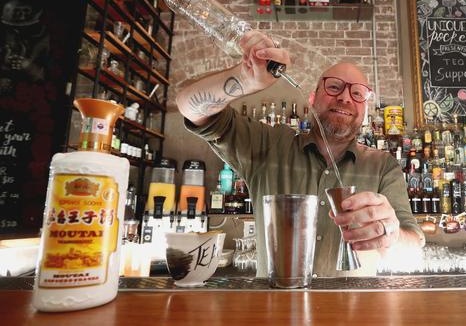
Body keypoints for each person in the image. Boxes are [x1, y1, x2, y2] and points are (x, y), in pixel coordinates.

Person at [177, 31, 424, 277]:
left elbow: (412, 249)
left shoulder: (383, 166)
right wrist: (243, 78)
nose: (345, 97)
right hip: (279, 312)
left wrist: (392, 236)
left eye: (358, 94)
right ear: (312, 99)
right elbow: (189, 105)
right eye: (334, 87)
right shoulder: (268, 146)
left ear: (365, 109)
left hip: (355, 313)